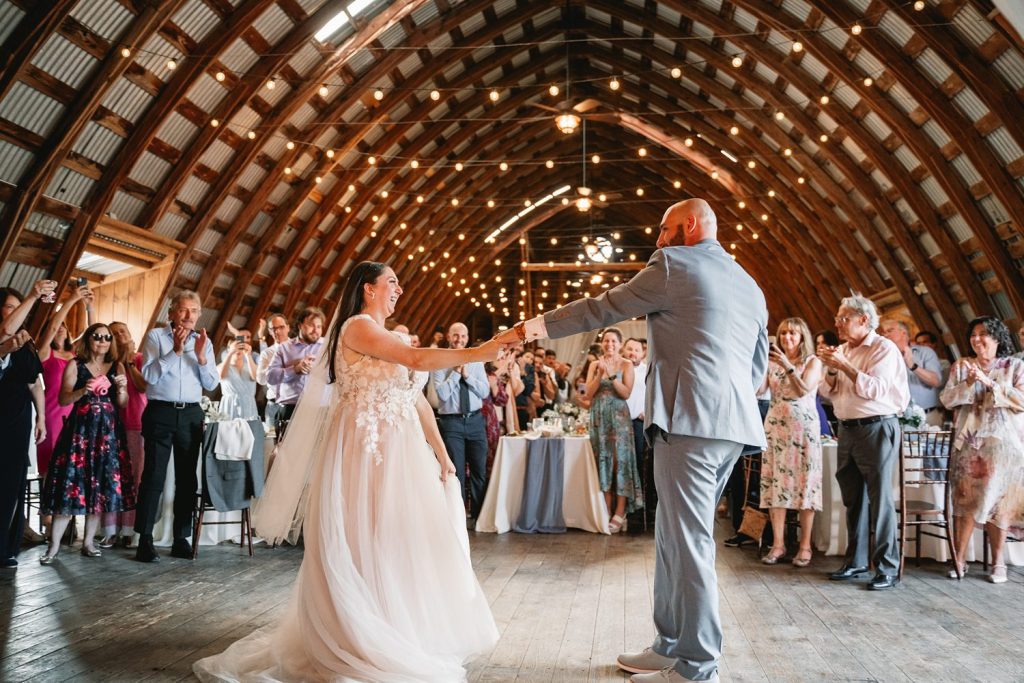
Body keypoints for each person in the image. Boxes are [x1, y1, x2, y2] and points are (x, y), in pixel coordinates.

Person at [495, 198, 768, 683]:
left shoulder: (673, 262)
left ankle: (698, 665)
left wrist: (532, 328)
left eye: (663, 229)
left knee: (689, 542)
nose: (656, 239)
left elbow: (605, 307)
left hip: (691, 423)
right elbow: (756, 369)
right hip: (732, 426)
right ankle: (668, 644)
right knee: (672, 534)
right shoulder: (750, 283)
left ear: (687, 226)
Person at [193, 261, 501, 681]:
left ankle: (396, 627)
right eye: (392, 282)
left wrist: (442, 453)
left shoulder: (388, 335)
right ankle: (356, 634)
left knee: (395, 540)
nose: (399, 290)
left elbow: (415, 399)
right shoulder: (356, 328)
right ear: (369, 289)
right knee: (364, 537)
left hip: (401, 452)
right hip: (366, 450)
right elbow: (414, 358)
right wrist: (476, 353)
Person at [818, 294, 909, 591]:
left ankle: (886, 567)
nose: (837, 324)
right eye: (837, 318)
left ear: (863, 320)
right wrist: (832, 369)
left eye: (843, 318)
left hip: (877, 428)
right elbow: (830, 394)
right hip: (847, 429)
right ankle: (856, 561)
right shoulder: (844, 350)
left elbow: (877, 390)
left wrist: (844, 366)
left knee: (880, 499)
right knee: (853, 499)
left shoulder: (884, 349)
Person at [39, 323, 135, 563]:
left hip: (108, 434)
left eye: (107, 337)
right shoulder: (76, 364)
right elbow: (63, 399)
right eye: (97, 336)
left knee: (99, 489)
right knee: (70, 486)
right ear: (88, 339)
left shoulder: (117, 366)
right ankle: (54, 546)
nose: (102, 341)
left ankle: (89, 542)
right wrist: (84, 390)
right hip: (79, 434)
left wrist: (122, 388)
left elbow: (122, 403)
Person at [135, 290, 219, 562]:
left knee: (187, 479)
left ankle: (181, 538)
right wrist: (176, 352)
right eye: (183, 310)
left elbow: (211, 384)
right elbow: (148, 375)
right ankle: (145, 539)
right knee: (154, 476)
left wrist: (202, 358)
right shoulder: (155, 338)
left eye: (194, 311)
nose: (189, 316)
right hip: (160, 411)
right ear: (171, 313)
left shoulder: (204, 342)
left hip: (191, 414)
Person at [939, 316, 1024, 584]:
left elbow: (1021, 400)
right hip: (969, 446)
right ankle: (959, 558)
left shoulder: (1015, 366)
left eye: (984, 334)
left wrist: (990, 384)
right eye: (973, 334)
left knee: (999, 504)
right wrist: (967, 384)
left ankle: (999, 563)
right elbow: (946, 399)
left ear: (998, 338)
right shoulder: (961, 366)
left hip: (1004, 448)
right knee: (964, 502)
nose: (977, 339)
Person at [759, 318, 824, 568]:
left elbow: (803, 390)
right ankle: (778, 544)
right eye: (783, 333)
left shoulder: (813, 362)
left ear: (802, 337)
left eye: (793, 333)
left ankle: (805, 546)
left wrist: (786, 365)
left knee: (804, 486)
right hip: (776, 428)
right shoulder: (771, 363)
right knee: (776, 483)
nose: (787, 337)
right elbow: (758, 390)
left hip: (803, 432)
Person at [0, 282, 52, 568]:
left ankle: (8, 545)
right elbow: (5, 332)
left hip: (20, 418)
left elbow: (35, 383)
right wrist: (33, 294)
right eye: (10, 305)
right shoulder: (5, 336)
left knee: (14, 482)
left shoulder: (25, 341)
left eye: (18, 305)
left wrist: (41, 416)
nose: (15, 310)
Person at [430, 322, 490, 519]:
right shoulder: (439, 362)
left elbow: (484, 391)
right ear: (448, 336)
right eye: (455, 336)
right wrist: (456, 373)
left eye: (463, 336)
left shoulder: (477, 361)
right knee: (455, 472)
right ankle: (458, 517)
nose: (459, 340)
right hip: (452, 423)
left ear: (467, 337)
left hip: (475, 421)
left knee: (479, 471)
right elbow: (442, 395)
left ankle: (480, 517)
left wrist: (467, 376)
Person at [36, 284, 93, 490]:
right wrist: (71, 300)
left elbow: (92, 334)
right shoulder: (44, 354)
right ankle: (48, 514)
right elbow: (52, 327)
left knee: (71, 463)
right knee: (51, 465)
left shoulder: (74, 356)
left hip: (73, 412)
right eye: (58, 325)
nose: (61, 327)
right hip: (51, 413)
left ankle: (65, 512)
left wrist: (89, 307)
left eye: (65, 326)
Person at [586, 327, 641, 533]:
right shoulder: (594, 364)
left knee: (620, 463)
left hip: (619, 419)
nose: (609, 345)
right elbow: (587, 394)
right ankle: (605, 510)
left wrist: (611, 377)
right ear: (602, 343)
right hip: (599, 417)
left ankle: (620, 511)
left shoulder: (627, 364)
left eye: (613, 342)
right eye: (606, 341)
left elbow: (626, 393)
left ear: (620, 343)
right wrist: (600, 374)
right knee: (603, 461)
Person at [105, 321, 147, 547]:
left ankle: (129, 529)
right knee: (113, 478)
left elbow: (143, 387)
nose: (119, 335)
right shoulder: (108, 363)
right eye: (114, 333)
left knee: (135, 479)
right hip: (111, 426)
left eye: (122, 331)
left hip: (137, 424)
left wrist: (130, 364)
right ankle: (110, 528)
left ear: (130, 334)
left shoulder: (140, 358)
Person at [266, 307, 326, 436]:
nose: (316, 330)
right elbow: (270, 377)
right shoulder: (284, 348)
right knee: (285, 454)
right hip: (290, 410)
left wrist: (317, 369)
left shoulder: (328, 347)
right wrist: (295, 369)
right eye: (311, 325)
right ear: (300, 325)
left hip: (320, 410)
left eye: (319, 326)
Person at [881, 319, 944, 426]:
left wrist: (912, 365)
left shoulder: (925, 352)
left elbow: (936, 381)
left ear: (903, 332)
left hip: (928, 417)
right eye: (884, 332)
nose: (885, 335)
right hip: (897, 419)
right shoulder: (883, 358)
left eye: (889, 330)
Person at [256, 313, 291, 432]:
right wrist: (274, 363)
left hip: (294, 405)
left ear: (288, 327)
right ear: (270, 331)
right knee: (272, 444)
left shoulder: (300, 349)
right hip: (273, 406)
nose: (277, 332)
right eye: (273, 329)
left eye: (281, 327)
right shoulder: (267, 353)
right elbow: (260, 379)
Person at [218, 329, 259, 420]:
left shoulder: (250, 365)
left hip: (249, 406)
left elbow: (256, 377)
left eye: (241, 347)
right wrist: (231, 352)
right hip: (229, 406)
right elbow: (221, 375)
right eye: (235, 348)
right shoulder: (222, 366)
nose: (238, 350)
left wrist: (248, 355)